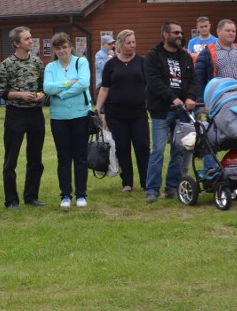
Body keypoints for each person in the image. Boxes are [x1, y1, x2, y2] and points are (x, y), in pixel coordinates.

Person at [0, 26, 47, 209]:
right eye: (27, 39)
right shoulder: (7, 64)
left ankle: (31, 196)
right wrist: (19, 95)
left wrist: (41, 96)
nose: (31, 41)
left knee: (35, 158)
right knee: (11, 159)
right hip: (15, 114)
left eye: (31, 38)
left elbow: (44, 87)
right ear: (16, 43)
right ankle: (11, 200)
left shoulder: (38, 63)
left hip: (35, 114)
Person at [144, 21, 197, 203]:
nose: (180, 35)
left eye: (181, 33)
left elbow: (193, 81)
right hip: (161, 110)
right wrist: (172, 98)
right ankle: (152, 189)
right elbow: (154, 82)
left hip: (183, 112)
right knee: (158, 150)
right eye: (176, 33)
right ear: (166, 34)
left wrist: (190, 97)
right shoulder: (153, 56)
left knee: (179, 150)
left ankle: (172, 187)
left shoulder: (185, 57)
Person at [93, 29, 149, 192]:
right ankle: (127, 182)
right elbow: (104, 88)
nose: (132, 46)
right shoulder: (111, 64)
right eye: (129, 43)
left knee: (143, 146)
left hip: (138, 113)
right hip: (116, 114)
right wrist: (97, 109)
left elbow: (149, 86)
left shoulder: (141, 62)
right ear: (120, 44)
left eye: (134, 42)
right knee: (122, 147)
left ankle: (146, 182)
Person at [44, 32, 91, 208]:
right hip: (58, 117)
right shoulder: (50, 68)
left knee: (80, 156)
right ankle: (65, 195)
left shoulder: (81, 62)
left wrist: (62, 94)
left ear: (71, 46)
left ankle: (81, 194)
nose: (62, 51)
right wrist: (68, 83)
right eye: (58, 48)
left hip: (80, 114)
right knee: (63, 157)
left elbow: (84, 83)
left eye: (64, 47)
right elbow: (47, 87)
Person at [195, 18, 237, 94]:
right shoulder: (207, 53)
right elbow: (199, 78)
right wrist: (202, 100)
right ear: (218, 32)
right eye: (228, 31)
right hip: (219, 97)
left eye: (233, 31)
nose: (231, 33)